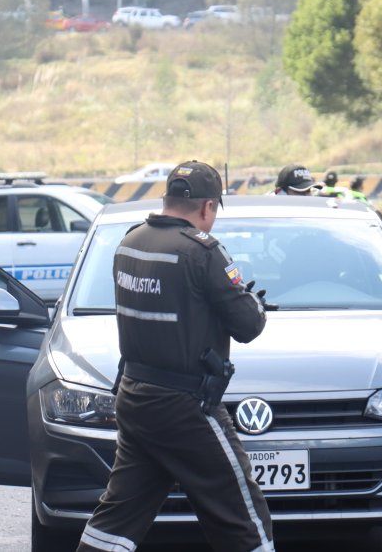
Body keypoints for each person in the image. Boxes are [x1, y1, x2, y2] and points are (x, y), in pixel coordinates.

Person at [79, 161, 273, 552]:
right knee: (243, 513)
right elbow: (248, 326)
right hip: (185, 407)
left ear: (167, 199)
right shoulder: (203, 252)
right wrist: (253, 303)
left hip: (135, 398)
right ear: (207, 208)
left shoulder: (130, 242)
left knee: (118, 517)